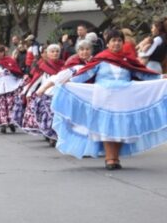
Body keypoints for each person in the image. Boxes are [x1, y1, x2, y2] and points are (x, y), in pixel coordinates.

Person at [49, 28, 167, 169]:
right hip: (104, 97)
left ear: (123, 43)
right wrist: (69, 82)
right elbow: (85, 74)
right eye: (113, 41)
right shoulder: (101, 59)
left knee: (121, 127)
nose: (116, 43)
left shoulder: (128, 60)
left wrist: (160, 77)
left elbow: (143, 73)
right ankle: (110, 159)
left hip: (124, 97)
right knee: (107, 127)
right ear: (107, 43)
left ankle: (115, 158)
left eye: (119, 41)